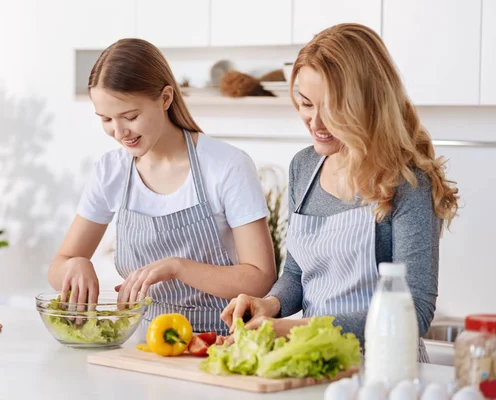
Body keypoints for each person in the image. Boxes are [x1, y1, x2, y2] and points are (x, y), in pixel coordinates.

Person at [221, 23, 459, 360]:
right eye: (305, 104)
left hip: (384, 370)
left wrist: (292, 329)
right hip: (313, 361)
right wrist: (269, 305)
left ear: (367, 103)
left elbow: (415, 313)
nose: (315, 123)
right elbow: (296, 274)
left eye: (332, 109)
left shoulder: (406, 182)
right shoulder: (304, 167)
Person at [47, 38, 276, 334]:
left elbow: (260, 277)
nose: (119, 132)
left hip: (219, 343)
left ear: (165, 98)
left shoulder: (227, 165)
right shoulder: (111, 170)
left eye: (131, 117)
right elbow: (58, 267)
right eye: (106, 119)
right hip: (141, 342)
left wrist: (178, 267)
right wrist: (74, 265)